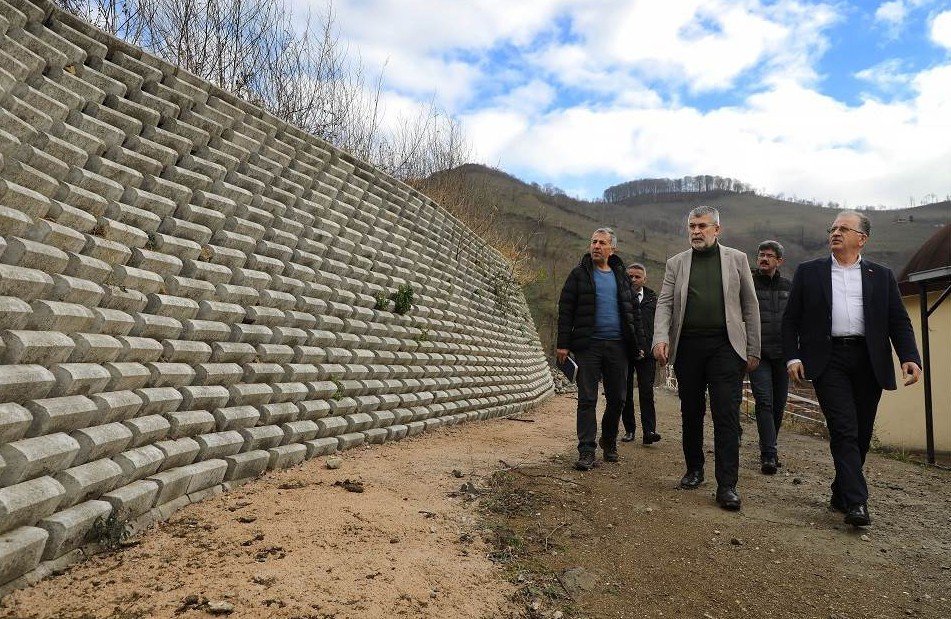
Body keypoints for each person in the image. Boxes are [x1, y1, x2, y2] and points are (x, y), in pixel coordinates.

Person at [782, 211, 921, 528]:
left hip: (869, 360)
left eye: (844, 228)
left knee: (861, 432)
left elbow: (898, 320)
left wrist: (909, 357)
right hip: (828, 359)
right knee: (843, 429)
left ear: (862, 238)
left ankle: (841, 490)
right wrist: (793, 357)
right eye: (832, 228)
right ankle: (857, 503)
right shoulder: (809, 272)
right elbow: (790, 320)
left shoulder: (881, 275)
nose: (835, 232)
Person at [652, 206, 760, 511]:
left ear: (717, 230)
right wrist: (661, 337)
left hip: (726, 346)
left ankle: (727, 485)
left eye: (702, 226)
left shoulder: (737, 260)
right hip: (688, 346)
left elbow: (750, 307)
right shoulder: (676, 263)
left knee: (726, 413)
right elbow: (664, 304)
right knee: (691, 410)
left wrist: (753, 349)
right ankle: (694, 469)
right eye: (691, 226)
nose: (696, 232)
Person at [557, 228, 644, 471]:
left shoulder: (622, 277)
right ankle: (586, 450)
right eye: (593, 241)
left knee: (618, 398)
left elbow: (633, 314)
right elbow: (565, 310)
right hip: (589, 345)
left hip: (618, 346)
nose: (596, 246)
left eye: (602, 243)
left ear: (612, 249)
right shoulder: (578, 275)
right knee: (587, 398)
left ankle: (608, 440)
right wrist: (563, 343)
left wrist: (638, 345)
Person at [750, 241, 792, 475]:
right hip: (759, 353)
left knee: (778, 405)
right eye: (761, 254)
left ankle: (769, 444)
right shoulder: (749, 284)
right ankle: (769, 454)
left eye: (769, 255)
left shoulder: (789, 286)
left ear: (779, 261)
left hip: (784, 355)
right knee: (764, 402)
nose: (764, 258)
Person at [621, 263, 661, 445]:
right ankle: (629, 430)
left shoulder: (654, 299)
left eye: (637, 277)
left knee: (646, 392)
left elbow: (660, 325)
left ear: (645, 279)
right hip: (625, 352)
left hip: (648, 353)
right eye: (630, 276)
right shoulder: (620, 298)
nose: (633, 280)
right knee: (626, 392)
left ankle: (649, 430)